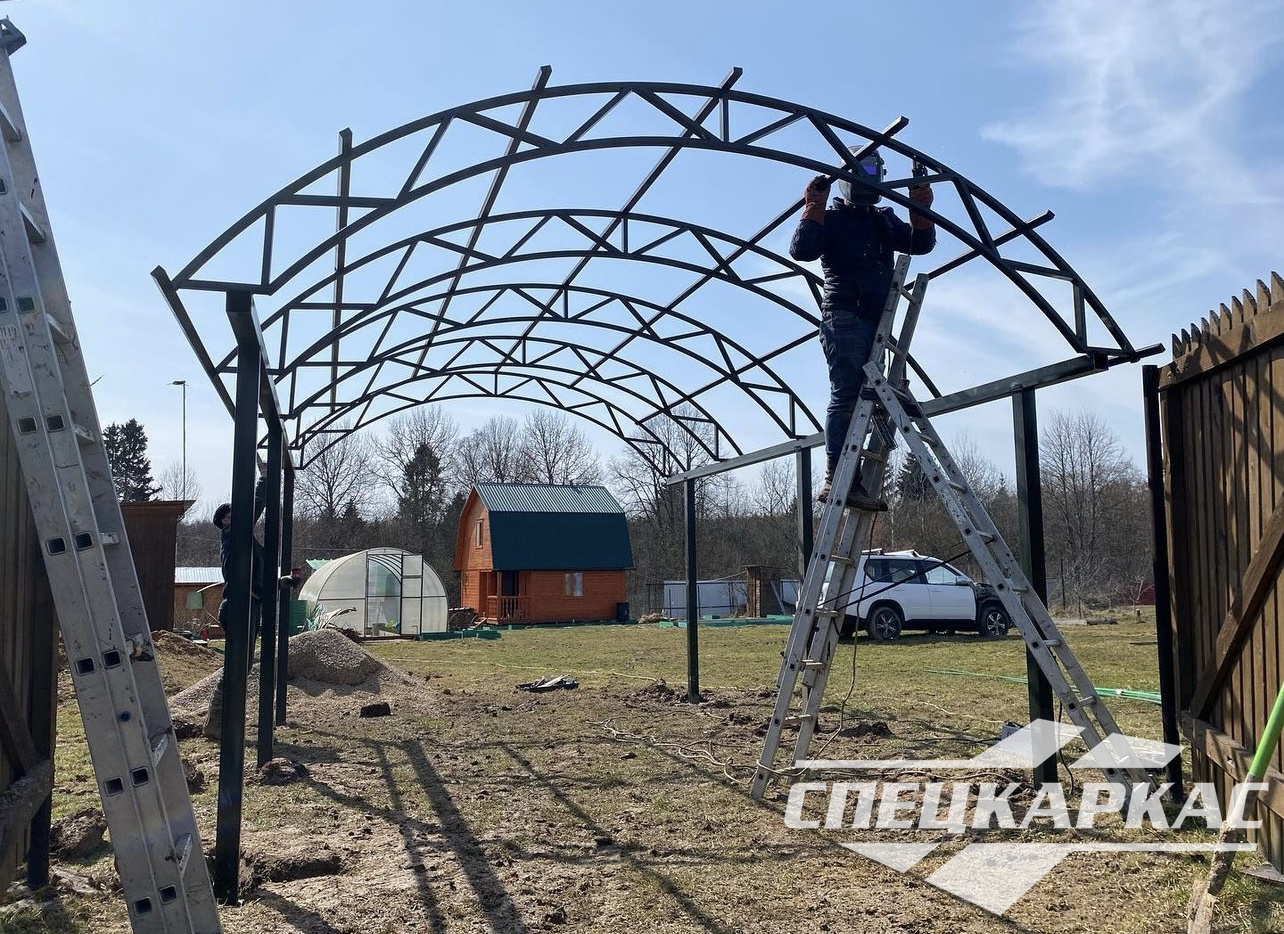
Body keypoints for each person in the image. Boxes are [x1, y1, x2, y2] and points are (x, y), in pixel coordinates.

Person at [789, 148, 936, 508]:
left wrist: (919, 204)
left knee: (865, 397)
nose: (868, 179)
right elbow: (802, 249)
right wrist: (814, 206)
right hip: (845, 317)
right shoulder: (834, 218)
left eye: (873, 171)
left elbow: (920, 244)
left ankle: (850, 479)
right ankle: (837, 478)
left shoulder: (881, 219)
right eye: (861, 171)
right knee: (847, 396)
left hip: (873, 321)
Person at [204, 478, 267, 740]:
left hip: (247, 604)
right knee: (236, 666)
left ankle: (221, 722)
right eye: (233, 513)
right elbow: (254, 508)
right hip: (239, 606)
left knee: (242, 666)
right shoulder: (233, 535)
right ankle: (216, 723)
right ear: (225, 520)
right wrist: (263, 481)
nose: (239, 515)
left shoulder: (244, 540)